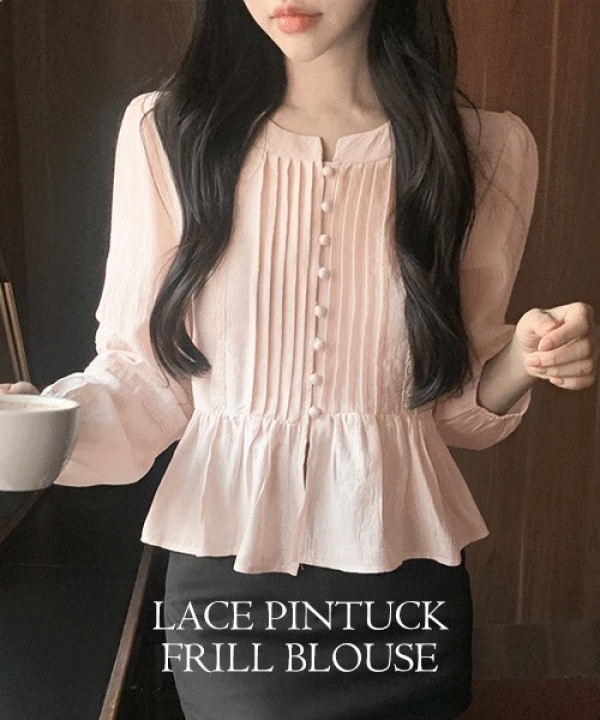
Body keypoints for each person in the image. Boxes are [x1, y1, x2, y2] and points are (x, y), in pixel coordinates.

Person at [2, 1, 596, 718]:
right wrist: (40, 425)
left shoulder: (484, 149)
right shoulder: (169, 133)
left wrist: (525, 360)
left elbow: (448, 408)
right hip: (230, 575)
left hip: (405, 575)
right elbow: (145, 379)